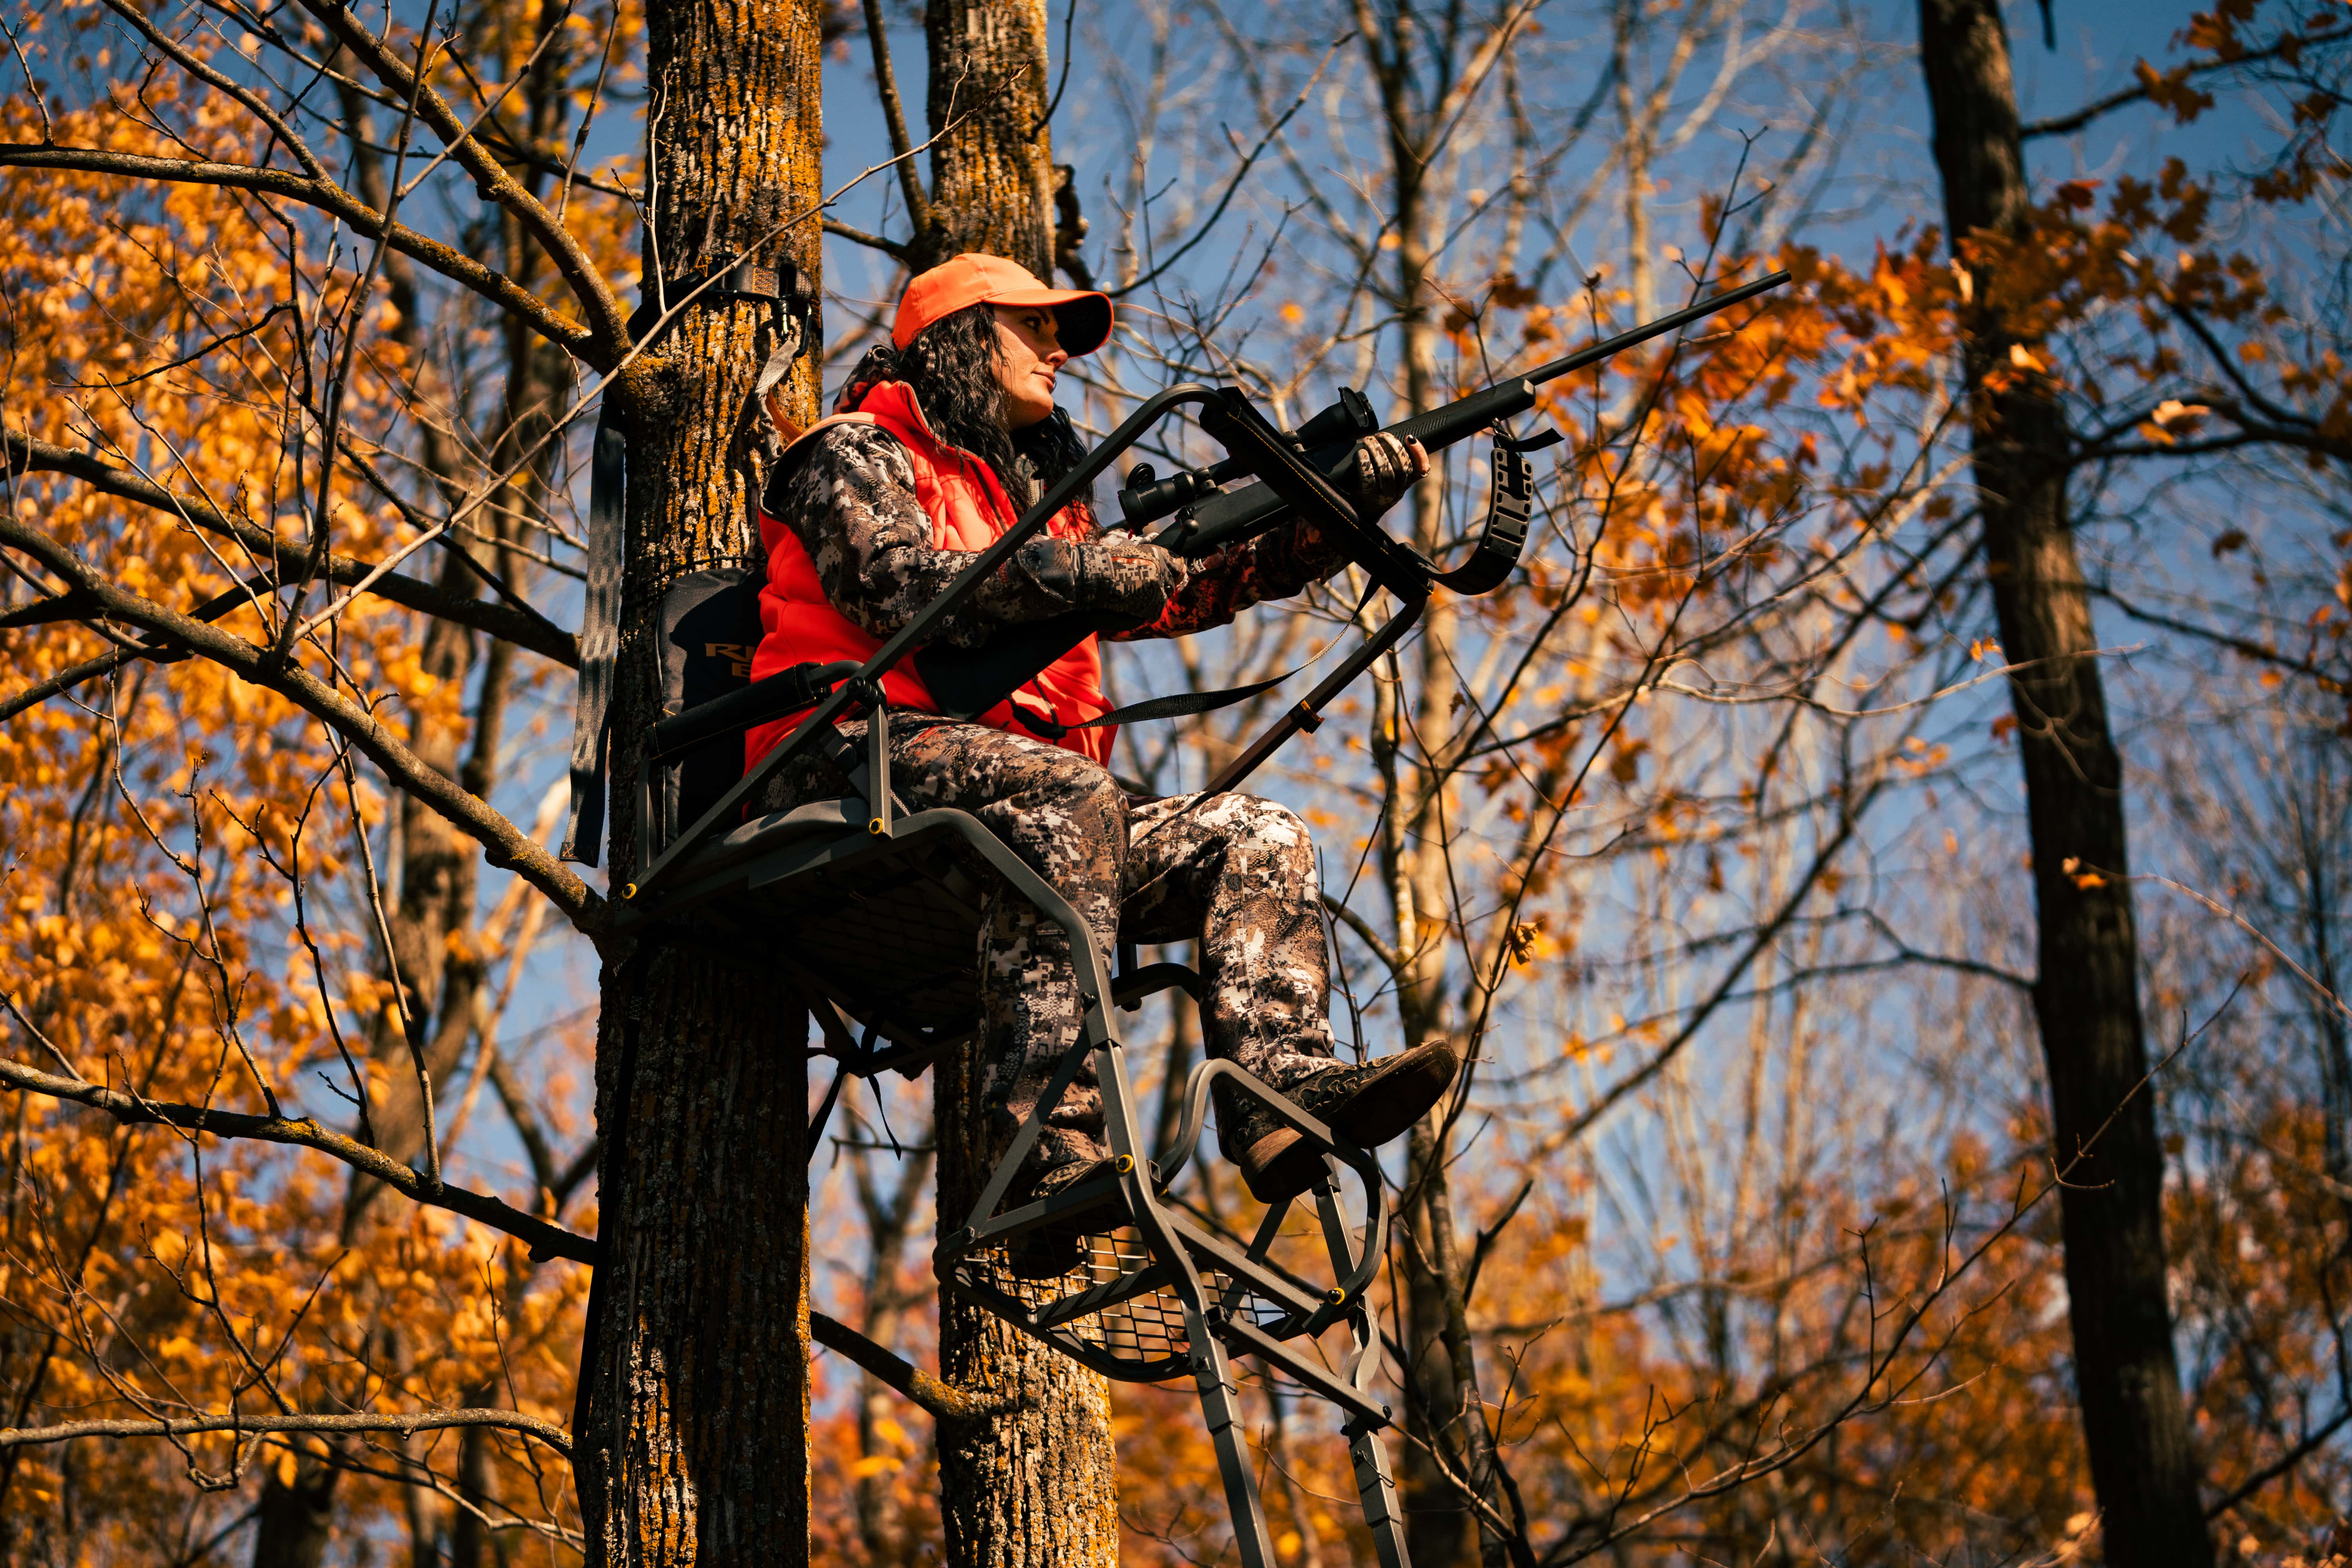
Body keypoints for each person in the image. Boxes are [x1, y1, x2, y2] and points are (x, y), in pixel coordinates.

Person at [749, 253, 1459, 1269]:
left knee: (1255, 834)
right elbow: (894, 586)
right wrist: (1077, 569)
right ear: (958, 337)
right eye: (1034, 326)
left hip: (1021, 798)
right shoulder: (853, 448)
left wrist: (1329, 523)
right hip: (845, 756)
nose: (1056, 351)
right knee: (1071, 795)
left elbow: (1188, 587)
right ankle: (1046, 1155)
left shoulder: (1038, 501)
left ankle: (1281, 1097)